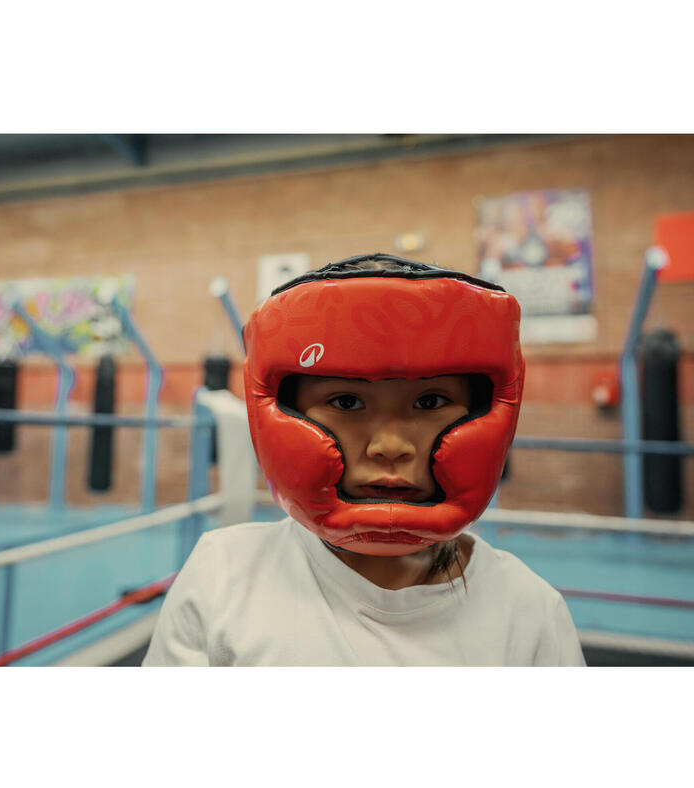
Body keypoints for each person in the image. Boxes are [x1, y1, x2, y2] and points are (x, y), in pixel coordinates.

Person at [143, 254, 585, 666]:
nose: (389, 446)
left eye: (430, 401)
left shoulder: (530, 612)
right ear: (282, 410)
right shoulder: (222, 575)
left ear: (482, 411)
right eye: (348, 402)